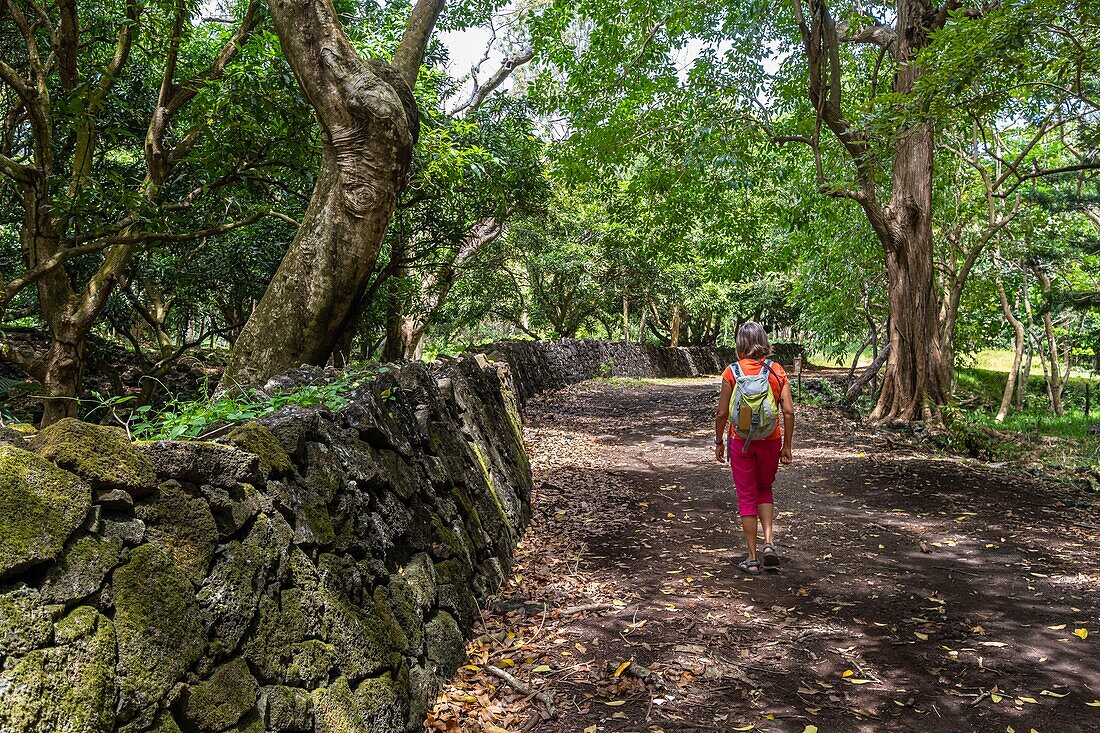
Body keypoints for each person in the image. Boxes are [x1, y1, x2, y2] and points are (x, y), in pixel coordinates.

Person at [714, 322, 795, 575]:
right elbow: (789, 411)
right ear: (763, 342)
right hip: (771, 440)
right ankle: (769, 544)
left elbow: (722, 413)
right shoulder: (777, 371)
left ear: (740, 344)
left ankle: (751, 558)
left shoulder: (732, 372)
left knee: (746, 495)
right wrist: (787, 447)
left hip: (740, 442)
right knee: (764, 488)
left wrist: (719, 441)